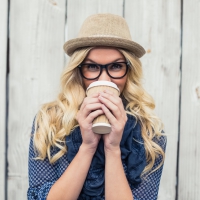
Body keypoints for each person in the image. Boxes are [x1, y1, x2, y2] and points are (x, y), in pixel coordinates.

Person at [27, 13, 166, 200]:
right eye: (92, 67)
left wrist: (113, 148)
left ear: (129, 70)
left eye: (116, 66)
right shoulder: (49, 122)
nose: (104, 79)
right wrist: (88, 146)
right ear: (79, 70)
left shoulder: (150, 134)